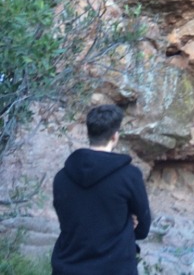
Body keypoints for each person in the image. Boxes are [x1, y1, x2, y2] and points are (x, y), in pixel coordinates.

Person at [51, 104, 151, 275]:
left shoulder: (62, 177)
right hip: (116, 268)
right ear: (115, 136)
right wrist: (126, 226)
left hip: (67, 268)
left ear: (89, 134)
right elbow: (143, 226)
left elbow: (68, 222)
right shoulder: (129, 176)